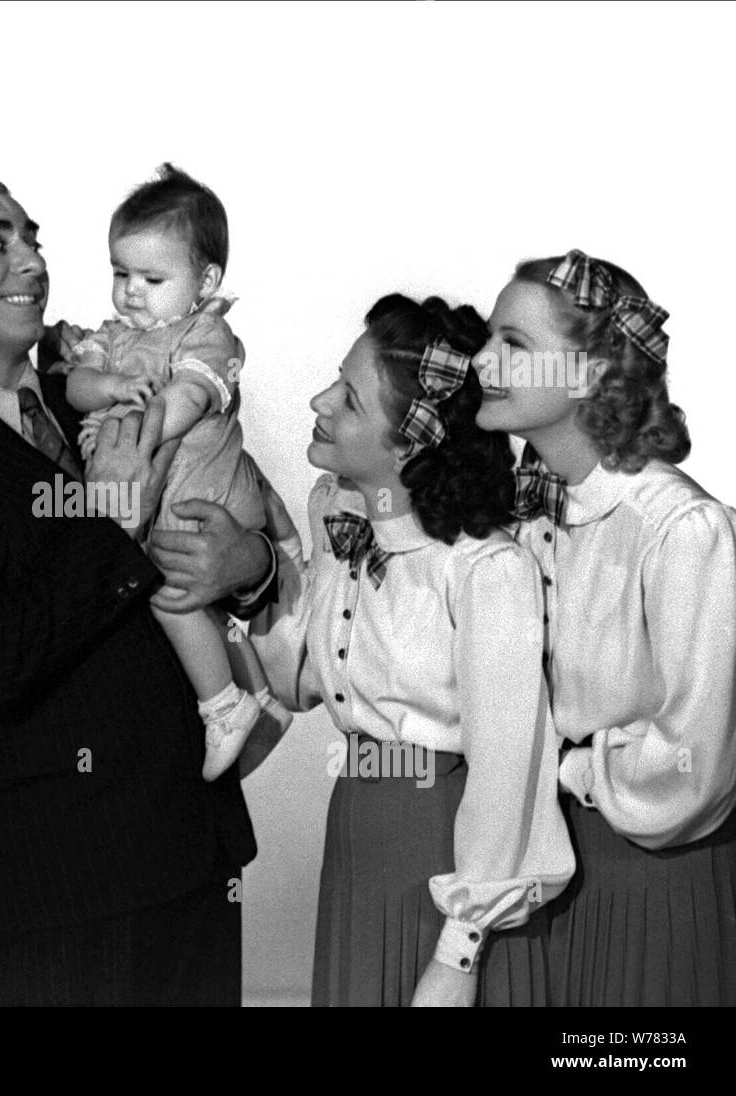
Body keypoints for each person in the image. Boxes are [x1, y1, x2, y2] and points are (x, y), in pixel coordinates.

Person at [0, 171, 275, 1006]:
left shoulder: (99, 387)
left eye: (33, 237)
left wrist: (249, 564)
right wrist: (111, 519)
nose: (31, 262)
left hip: (195, 846)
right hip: (72, 874)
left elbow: (228, 523)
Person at [251, 295, 574, 1006]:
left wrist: (458, 954)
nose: (320, 401)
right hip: (356, 827)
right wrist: (255, 580)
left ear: (411, 444)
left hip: (445, 847)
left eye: (351, 400)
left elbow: (505, 770)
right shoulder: (338, 511)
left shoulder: (485, 570)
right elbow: (302, 683)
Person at [474, 249, 736, 1005]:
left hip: (656, 880)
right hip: (548, 878)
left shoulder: (681, 529)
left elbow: (698, 763)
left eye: (514, 345)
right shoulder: (531, 518)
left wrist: (572, 770)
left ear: (588, 373)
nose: (482, 360)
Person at [59, 163, 290, 780]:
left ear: (204, 279)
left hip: (205, 496)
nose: (131, 291)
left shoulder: (207, 333)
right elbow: (78, 387)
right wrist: (108, 383)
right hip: (158, 501)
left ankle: (226, 706)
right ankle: (257, 697)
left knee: (166, 590)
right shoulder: (109, 337)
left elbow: (191, 396)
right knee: (178, 597)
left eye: (152, 277)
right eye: (120, 273)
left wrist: (137, 441)